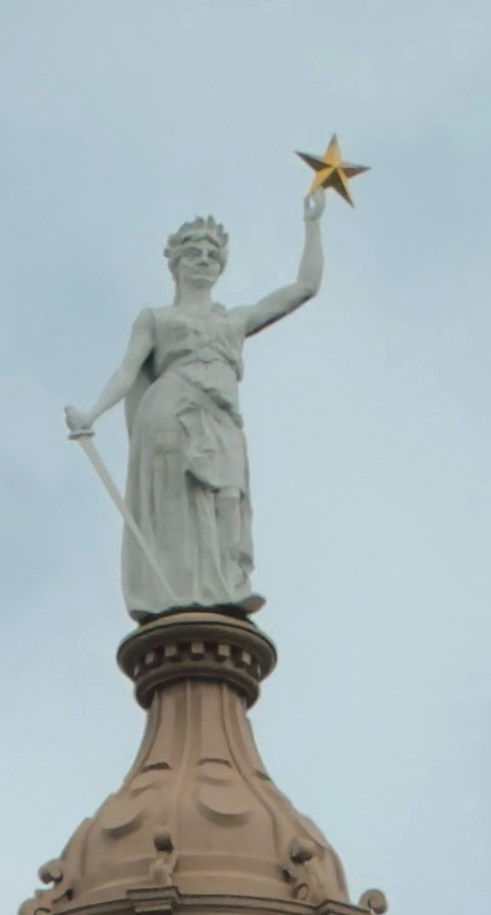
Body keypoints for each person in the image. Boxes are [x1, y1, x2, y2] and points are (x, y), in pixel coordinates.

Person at [72, 199, 328, 620]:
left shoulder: (234, 320)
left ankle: (227, 585)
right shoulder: (156, 319)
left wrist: (312, 225)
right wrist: (92, 414)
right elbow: (126, 371)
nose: (204, 261)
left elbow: (305, 287)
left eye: (213, 255)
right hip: (171, 415)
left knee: (228, 500)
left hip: (222, 419)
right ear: (175, 264)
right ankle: (180, 592)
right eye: (194, 252)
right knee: (179, 508)